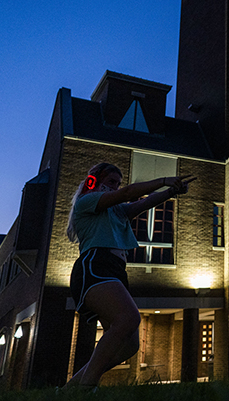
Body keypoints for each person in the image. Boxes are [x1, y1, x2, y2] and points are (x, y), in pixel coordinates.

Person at [64, 162, 195, 389]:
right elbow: (128, 193)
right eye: (111, 182)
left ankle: (70, 390)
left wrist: (172, 191)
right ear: (94, 180)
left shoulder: (116, 211)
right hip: (95, 266)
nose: (116, 187)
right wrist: (165, 180)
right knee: (128, 318)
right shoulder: (87, 202)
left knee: (129, 345)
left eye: (118, 183)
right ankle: (87, 388)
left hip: (115, 270)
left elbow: (143, 203)